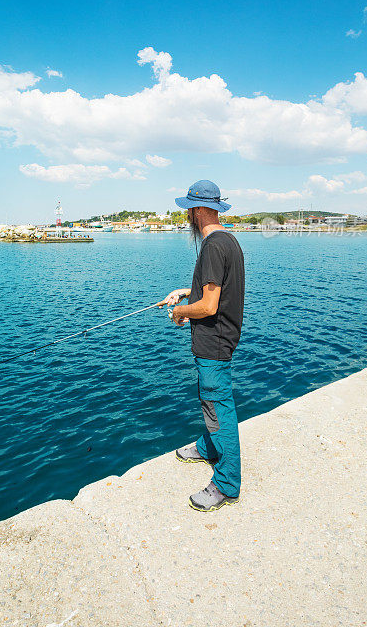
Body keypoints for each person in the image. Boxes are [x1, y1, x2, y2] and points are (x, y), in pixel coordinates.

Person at [157, 180, 245, 512]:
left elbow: (208, 306)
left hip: (214, 345)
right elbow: (214, 292)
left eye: (188, 211)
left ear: (196, 211)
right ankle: (207, 448)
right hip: (220, 341)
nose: (187, 218)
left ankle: (226, 483)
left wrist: (180, 312)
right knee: (210, 402)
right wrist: (183, 292)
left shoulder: (211, 246)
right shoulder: (228, 241)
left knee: (218, 409)